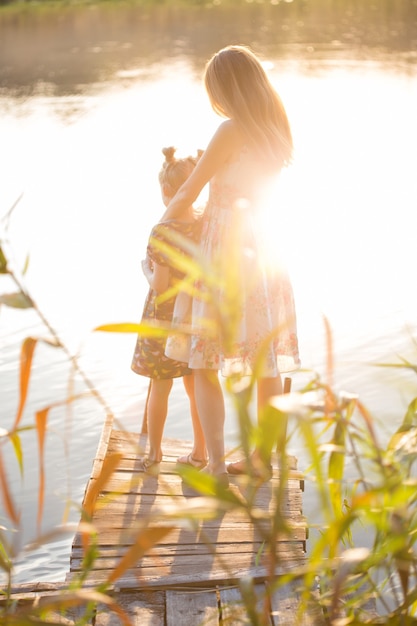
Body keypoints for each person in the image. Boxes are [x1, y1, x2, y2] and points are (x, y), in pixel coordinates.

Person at [160, 45, 300, 486]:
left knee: (203, 360)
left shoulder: (230, 130)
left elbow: (188, 194)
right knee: (265, 361)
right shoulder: (276, 130)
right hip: (263, 250)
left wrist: (159, 232)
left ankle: (216, 465)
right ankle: (261, 459)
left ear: (225, 87)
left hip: (222, 252)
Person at [131, 146, 207, 474]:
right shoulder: (206, 225)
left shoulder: (162, 231)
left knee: (159, 388)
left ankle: (155, 452)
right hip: (195, 318)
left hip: (163, 321)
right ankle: (201, 452)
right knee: (196, 387)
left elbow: (160, 285)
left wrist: (145, 271)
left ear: (165, 191)